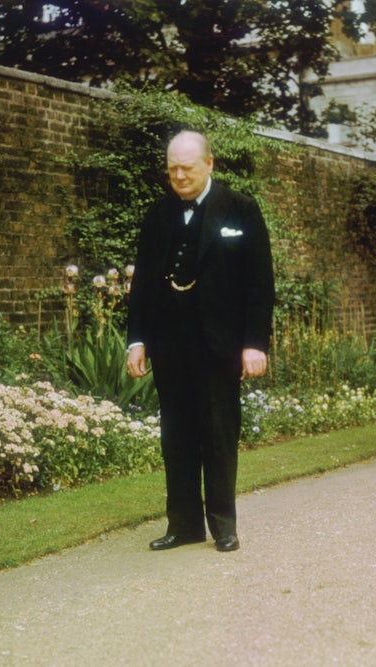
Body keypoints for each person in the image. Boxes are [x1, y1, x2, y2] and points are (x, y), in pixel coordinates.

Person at [126, 130, 275, 552]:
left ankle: (223, 525)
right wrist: (137, 340)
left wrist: (254, 343)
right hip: (170, 344)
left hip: (220, 344)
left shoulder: (240, 209)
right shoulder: (157, 215)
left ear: (209, 165)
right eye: (172, 168)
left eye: (187, 168)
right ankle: (185, 524)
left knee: (219, 434)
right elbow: (141, 286)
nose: (178, 176)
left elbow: (260, 283)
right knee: (177, 436)